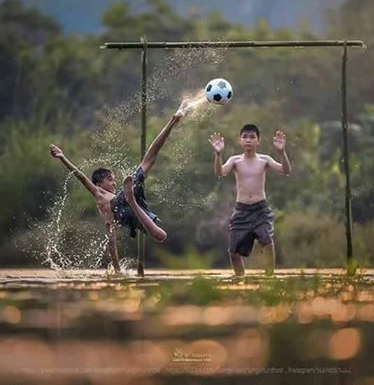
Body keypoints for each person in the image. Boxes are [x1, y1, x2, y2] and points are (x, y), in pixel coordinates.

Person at [50, 100, 190, 274]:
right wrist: (63, 157)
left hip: (129, 203)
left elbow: (111, 237)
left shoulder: (116, 192)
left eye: (114, 179)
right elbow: (80, 176)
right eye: (110, 179)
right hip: (123, 206)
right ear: (99, 183)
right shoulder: (99, 195)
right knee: (161, 236)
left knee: (150, 159)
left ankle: (174, 120)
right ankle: (131, 200)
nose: (113, 182)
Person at [209, 124, 291, 276]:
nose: (248, 140)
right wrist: (218, 154)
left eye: (252, 137)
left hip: (261, 210)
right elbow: (220, 173)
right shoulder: (235, 161)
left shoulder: (264, 160)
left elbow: (286, 171)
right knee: (233, 252)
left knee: (267, 241)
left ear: (258, 141)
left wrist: (282, 152)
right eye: (245, 137)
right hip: (241, 210)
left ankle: (269, 277)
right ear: (240, 141)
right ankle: (240, 279)